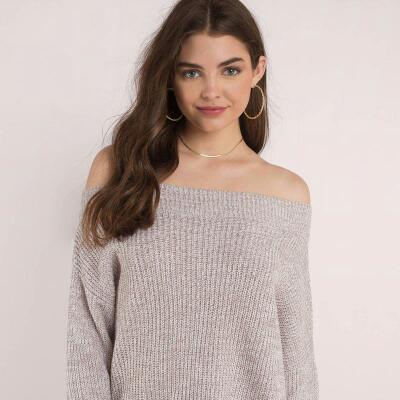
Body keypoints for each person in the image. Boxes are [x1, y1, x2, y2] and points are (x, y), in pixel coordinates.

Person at [66, 0, 319, 399]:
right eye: (191, 72)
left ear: (258, 71)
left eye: (230, 70)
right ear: (169, 75)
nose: (211, 91)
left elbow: (296, 352)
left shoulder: (284, 194)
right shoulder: (122, 170)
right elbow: (88, 331)